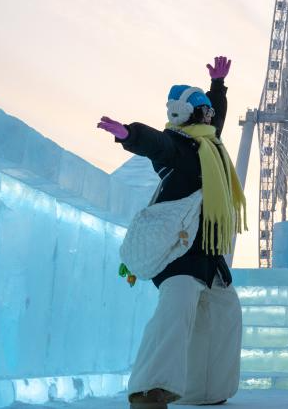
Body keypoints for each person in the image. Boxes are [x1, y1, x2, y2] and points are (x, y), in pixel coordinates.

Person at [98, 56, 247, 409]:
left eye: (209, 111)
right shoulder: (178, 148)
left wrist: (218, 87)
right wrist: (128, 134)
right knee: (175, 314)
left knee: (225, 314)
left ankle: (204, 390)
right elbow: (156, 143)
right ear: (185, 114)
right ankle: (148, 392)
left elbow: (219, 118)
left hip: (207, 257)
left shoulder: (209, 144)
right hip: (179, 256)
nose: (210, 115)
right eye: (203, 110)